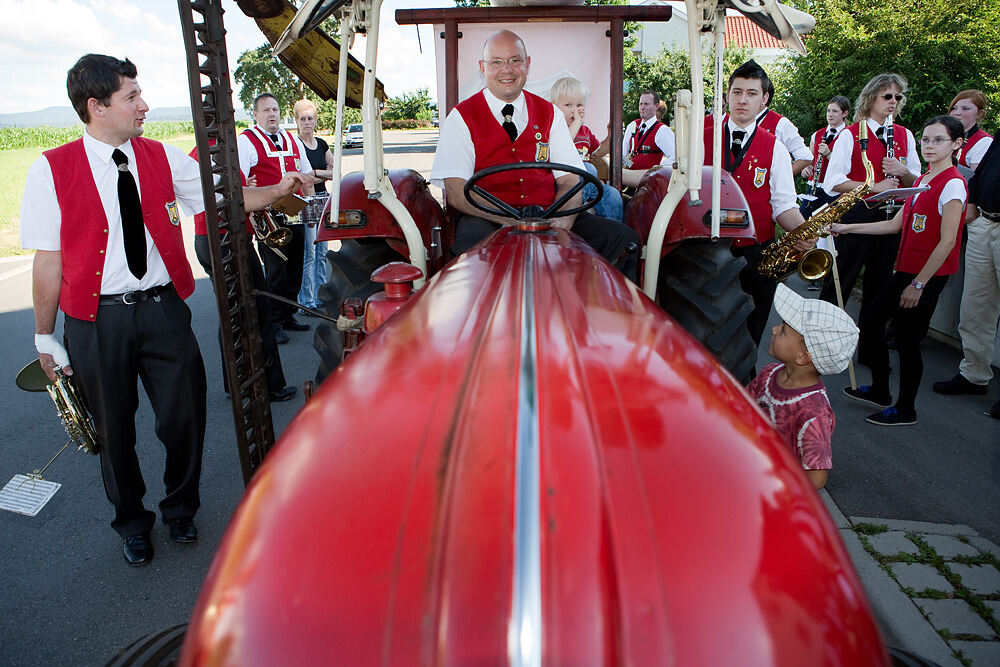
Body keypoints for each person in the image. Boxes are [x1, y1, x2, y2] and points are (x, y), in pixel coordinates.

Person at [20, 54, 309, 567]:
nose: (144, 105)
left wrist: (279, 189)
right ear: (97, 106)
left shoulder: (162, 156)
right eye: (131, 96)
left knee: (185, 416)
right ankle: (131, 521)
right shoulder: (51, 169)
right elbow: (48, 259)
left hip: (162, 310)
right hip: (94, 321)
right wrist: (46, 337)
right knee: (113, 430)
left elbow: (226, 198)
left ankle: (180, 507)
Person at [430, 30, 639, 279]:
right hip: (486, 218)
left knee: (623, 240)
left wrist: (563, 222)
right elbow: (456, 191)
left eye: (515, 60)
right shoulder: (461, 117)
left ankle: (607, 313)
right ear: (482, 67)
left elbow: (570, 180)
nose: (506, 69)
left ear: (527, 65)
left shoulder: (550, 114)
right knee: (469, 258)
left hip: (549, 214)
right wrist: (508, 221)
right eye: (496, 62)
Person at [835, 116, 968, 426]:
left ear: (956, 144)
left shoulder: (953, 184)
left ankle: (906, 408)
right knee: (870, 321)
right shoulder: (922, 179)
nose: (929, 146)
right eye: (925, 140)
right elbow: (896, 225)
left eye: (938, 140)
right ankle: (880, 391)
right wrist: (847, 226)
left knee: (908, 341)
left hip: (925, 277)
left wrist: (919, 285)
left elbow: (948, 242)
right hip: (906, 271)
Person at [703, 60, 811, 348]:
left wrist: (804, 232)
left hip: (756, 255)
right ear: (726, 96)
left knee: (750, 336)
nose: (742, 100)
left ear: (764, 100)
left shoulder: (775, 145)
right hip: (704, 251)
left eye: (751, 93)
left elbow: (783, 205)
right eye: (737, 92)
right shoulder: (699, 134)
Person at [819, 73, 921, 366]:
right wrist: (872, 187)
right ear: (872, 97)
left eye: (897, 97)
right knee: (841, 281)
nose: (893, 102)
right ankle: (822, 344)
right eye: (887, 96)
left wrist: (902, 170)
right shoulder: (850, 133)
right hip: (857, 212)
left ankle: (869, 352)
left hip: (890, 217)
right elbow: (832, 181)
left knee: (879, 287)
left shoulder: (904, 135)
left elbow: (916, 179)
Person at [190, 144, 299, 402]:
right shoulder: (217, 154)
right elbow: (233, 201)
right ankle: (270, 385)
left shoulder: (203, 153)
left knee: (231, 314)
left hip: (210, 239)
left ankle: (236, 383)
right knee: (257, 312)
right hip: (227, 240)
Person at [747, 283, 859, 490]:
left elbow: (817, 479)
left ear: (803, 357)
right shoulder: (770, 373)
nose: (774, 328)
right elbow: (740, 405)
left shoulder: (813, 413)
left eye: (782, 330)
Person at [933, 94, 999, 418]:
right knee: (975, 306)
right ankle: (974, 374)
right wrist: (973, 205)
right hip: (985, 223)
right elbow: (983, 174)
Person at [237, 93, 315, 339]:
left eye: (275, 110)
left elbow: (306, 173)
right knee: (276, 270)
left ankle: (288, 313)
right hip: (268, 216)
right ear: (256, 115)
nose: (272, 114)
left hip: (294, 211)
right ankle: (273, 322)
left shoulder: (292, 140)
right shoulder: (246, 141)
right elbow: (240, 179)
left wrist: (312, 206)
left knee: (295, 266)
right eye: (267, 110)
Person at [548, 76, 623, 221]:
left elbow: (599, 152)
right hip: (564, 183)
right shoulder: (553, 128)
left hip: (587, 182)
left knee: (612, 194)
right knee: (588, 169)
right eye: (568, 105)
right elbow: (563, 146)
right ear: (554, 107)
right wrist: (577, 123)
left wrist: (610, 136)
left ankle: (612, 228)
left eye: (579, 105)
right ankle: (572, 208)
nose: (574, 110)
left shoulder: (585, 131)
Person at [293, 98, 333, 313]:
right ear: (297, 121)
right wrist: (317, 175)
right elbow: (301, 179)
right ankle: (306, 301)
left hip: (323, 199)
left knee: (322, 252)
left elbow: (335, 171)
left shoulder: (322, 144)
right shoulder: (295, 145)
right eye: (303, 119)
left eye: (310, 118)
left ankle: (320, 296)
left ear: (315, 120)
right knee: (309, 253)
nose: (307, 122)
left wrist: (315, 173)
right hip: (306, 202)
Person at [800, 95, 851, 219]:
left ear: (844, 113)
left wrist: (828, 154)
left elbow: (848, 166)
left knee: (828, 229)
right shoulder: (817, 135)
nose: (830, 114)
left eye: (835, 111)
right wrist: (806, 169)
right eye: (828, 110)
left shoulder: (849, 135)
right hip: (813, 187)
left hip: (835, 191)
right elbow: (810, 160)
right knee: (803, 223)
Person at [621, 90, 676, 188]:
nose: (642, 107)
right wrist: (630, 165)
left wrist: (655, 169)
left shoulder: (662, 130)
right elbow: (622, 156)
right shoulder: (632, 125)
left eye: (646, 104)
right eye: (641, 104)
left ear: (656, 106)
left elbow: (675, 157)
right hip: (628, 182)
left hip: (648, 184)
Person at [947, 89, 993, 170]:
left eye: (965, 108)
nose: (957, 112)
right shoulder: (946, 137)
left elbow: (975, 180)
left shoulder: (984, 142)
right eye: (954, 108)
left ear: (980, 114)